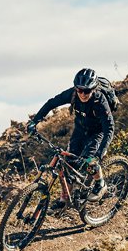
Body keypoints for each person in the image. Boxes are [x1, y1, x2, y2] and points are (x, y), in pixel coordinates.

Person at [27, 68, 115, 204]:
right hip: (79, 130)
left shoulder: (100, 101)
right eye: (80, 90)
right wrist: (35, 121)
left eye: (87, 91)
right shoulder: (72, 94)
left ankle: (100, 184)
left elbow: (109, 128)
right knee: (68, 163)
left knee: (89, 162)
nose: (83, 94)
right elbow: (51, 103)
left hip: (96, 133)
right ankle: (65, 199)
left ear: (94, 89)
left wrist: (100, 153)